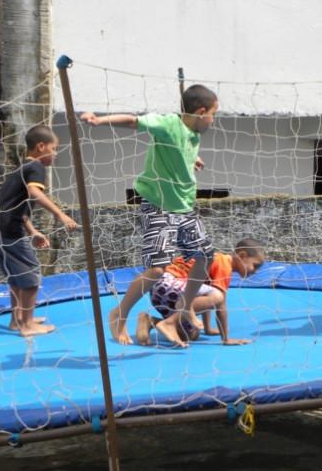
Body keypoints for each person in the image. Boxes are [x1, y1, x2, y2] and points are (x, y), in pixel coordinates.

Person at [80, 84, 218, 345]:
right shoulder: (168, 125)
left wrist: (192, 159)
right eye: (213, 113)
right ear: (201, 112)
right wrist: (99, 120)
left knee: (204, 257)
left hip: (184, 206)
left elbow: (180, 148)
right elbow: (134, 122)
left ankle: (186, 305)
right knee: (157, 269)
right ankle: (119, 313)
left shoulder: (192, 133)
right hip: (159, 205)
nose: (213, 119)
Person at [0, 125, 78, 337]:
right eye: (53, 148)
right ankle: (27, 325)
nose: (55, 153)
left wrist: (33, 231)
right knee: (31, 274)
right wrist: (59, 214)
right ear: (41, 146)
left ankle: (18, 320)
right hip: (5, 230)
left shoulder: (21, 168)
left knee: (16, 277)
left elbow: (22, 212)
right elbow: (34, 193)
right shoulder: (36, 167)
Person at [136, 238, 265, 347]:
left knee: (191, 335)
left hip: (161, 293)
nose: (255, 271)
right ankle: (169, 322)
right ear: (242, 256)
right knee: (218, 297)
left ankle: (151, 321)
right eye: (255, 265)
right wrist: (226, 338)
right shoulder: (223, 263)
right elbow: (220, 305)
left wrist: (207, 329)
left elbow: (206, 297)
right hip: (170, 282)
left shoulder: (216, 264)